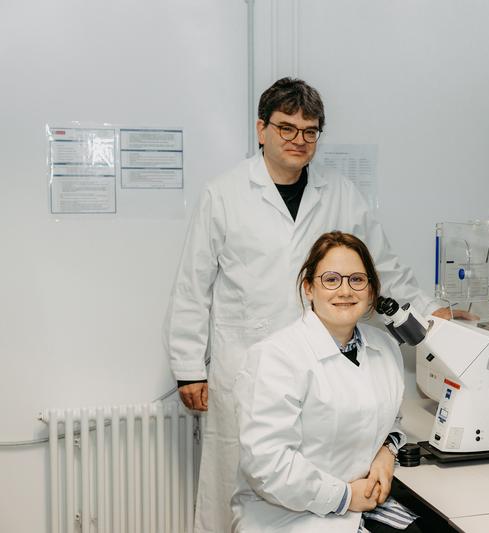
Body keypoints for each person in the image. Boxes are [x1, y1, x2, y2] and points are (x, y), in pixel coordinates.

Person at [163, 77, 461, 533]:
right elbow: (193, 285)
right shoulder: (222, 194)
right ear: (261, 129)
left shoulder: (340, 193)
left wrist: (431, 311)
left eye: (310, 131)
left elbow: (382, 268)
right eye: (286, 128)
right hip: (245, 361)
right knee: (238, 482)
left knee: (318, 475)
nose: (299, 140)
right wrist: (189, 367)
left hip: (322, 364)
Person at [232, 231, 422, 532]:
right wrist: (345, 496)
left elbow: (391, 419)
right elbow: (268, 465)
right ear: (308, 287)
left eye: (357, 280)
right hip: (290, 515)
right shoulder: (275, 357)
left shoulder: (384, 348)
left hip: (363, 503)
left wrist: (387, 452)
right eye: (331, 279)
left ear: (371, 291)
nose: (345, 290)